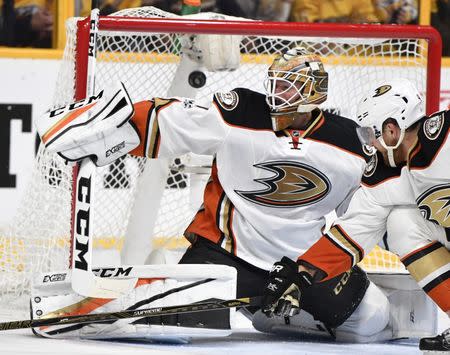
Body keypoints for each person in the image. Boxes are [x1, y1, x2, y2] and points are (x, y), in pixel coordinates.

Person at [36, 47, 394, 342]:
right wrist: (120, 126)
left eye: (287, 87)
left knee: (373, 320)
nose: (275, 93)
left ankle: (270, 316)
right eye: (274, 83)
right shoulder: (239, 112)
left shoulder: (352, 146)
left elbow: (363, 217)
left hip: (300, 268)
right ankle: (69, 311)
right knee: (150, 313)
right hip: (226, 255)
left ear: (313, 92)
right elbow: (173, 121)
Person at [285, 79, 450, 351]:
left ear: (391, 129)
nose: (369, 144)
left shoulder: (444, 136)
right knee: (402, 225)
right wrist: (305, 274)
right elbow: (356, 228)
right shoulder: (386, 172)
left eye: (370, 134)